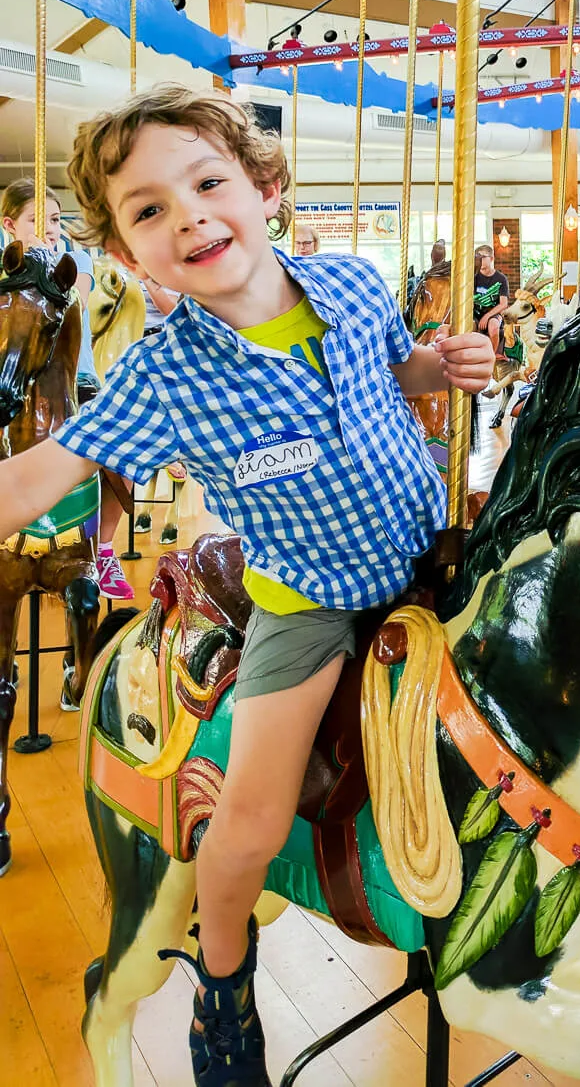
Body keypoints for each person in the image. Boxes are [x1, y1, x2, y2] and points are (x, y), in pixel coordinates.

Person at [0, 86, 494, 1083]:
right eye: (146, 209)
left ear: (265, 190)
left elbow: (390, 377)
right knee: (249, 826)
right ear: (128, 255)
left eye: (208, 182)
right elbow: (37, 479)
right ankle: (223, 983)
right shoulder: (161, 374)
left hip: (434, 563)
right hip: (308, 602)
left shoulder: (353, 286)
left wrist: (439, 371)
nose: (185, 214)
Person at [0, 180, 134, 600]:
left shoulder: (73, 262)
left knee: (123, 457)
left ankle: (104, 546)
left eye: (56, 220)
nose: (50, 228)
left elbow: (69, 300)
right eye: (37, 220)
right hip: (15, 378)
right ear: (10, 225)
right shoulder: (5, 272)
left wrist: (44, 262)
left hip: (77, 380)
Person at [473, 243, 509, 355]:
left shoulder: (501, 279)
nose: (480, 261)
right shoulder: (473, 277)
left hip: (493, 314)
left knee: (493, 326)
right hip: (476, 313)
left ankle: (491, 357)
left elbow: (503, 304)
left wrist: (487, 316)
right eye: (477, 258)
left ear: (491, 258)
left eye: (483, 257)